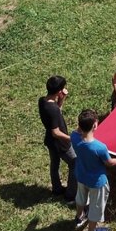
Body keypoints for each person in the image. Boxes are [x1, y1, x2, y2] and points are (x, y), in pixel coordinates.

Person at [72, 108, 116, 231]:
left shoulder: (73, 137)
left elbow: (78, 131)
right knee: (96, 207)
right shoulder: (99, 147)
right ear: (95, 125)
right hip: (97, 182)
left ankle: (78, 218)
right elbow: (110, 162)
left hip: (81, 175)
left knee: (81, 198)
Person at [39, 75, 76, 204]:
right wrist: (70, 138)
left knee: (54, 164)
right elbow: (55, 132)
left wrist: (62, 99)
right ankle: (70, 195)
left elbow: (57, 112)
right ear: (59, 90)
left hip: (49, 141)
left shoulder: (42, 101)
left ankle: (57, 189)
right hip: (60, 144)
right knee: (75, 163)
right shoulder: (53, 109)